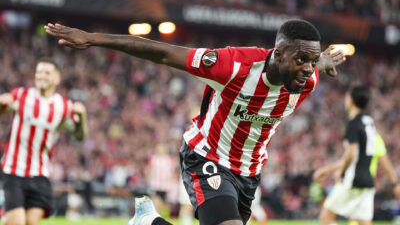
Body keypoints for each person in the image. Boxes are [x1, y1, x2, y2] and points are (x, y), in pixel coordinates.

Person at [44, 19, 346, 225]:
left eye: (312, 61)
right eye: (301, 60)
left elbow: (315, 62)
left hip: (249, 172)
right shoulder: (233, 65)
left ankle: (149, 221)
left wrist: (325, 61)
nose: (307, 69)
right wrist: (93, 39)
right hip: (207, 157)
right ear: (278, 54)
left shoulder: (306, 78)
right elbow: (162, 53)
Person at [0, 57, 88, 225]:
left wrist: (82, 117)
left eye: (47, 72)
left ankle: (6, 216)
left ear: (57, 78)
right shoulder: (21, 95)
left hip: (39, 174)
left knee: (32, 223)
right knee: (17, 223)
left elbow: (80, 136)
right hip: (13, 171)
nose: (41, 76)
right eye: (39, 72)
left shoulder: (63, 106)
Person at [313, 85, 400, 225]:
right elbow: (380, 157)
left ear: (351, 100)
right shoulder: (370, 124)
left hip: (352, 180)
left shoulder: (353, 123)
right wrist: (395, 183)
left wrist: (338, 172)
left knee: (326, 217)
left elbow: (351, 154)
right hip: (368, 183)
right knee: (364, 223)